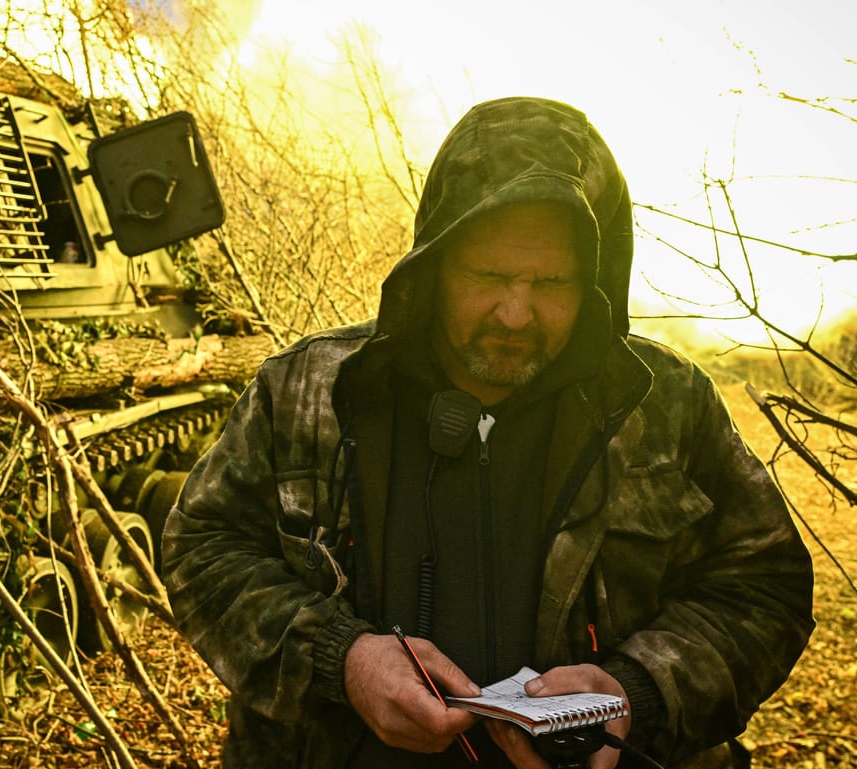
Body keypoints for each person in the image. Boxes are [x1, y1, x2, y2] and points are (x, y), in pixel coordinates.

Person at [160, 96, 814, 769]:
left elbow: (765, 584)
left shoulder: (668, 405)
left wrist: (634, 690)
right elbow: (201, 548)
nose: (516, 311)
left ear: (593, 282)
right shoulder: (306, 391)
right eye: (491, 275)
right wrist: (341, 657)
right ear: (435, 263)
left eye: (552, 281)